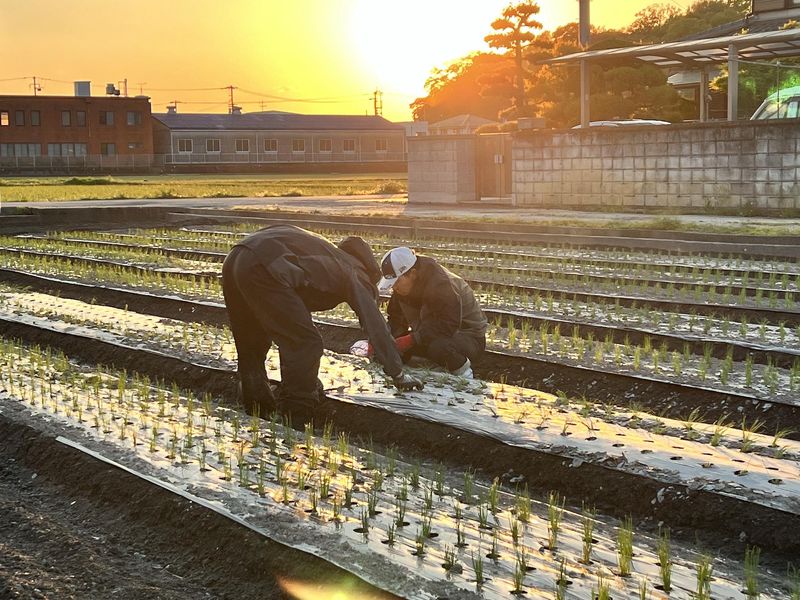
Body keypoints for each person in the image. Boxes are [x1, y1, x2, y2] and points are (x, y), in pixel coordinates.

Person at [221, 225, 424, 417]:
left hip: (237, 256)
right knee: (306, 343)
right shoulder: (353, 271)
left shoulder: (326, 253)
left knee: (251, 340)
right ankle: (297, 414)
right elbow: (375, 324)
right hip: (265, 265)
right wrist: (398, 373)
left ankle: (257, 407)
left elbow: (296, 311)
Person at [378, 246, 487, 378]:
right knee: (393, 346)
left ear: (412, 273)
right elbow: (396, 320)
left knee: (438, 347)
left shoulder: (440, 284)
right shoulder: (402, 288)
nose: (394, 287)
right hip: (431, 332)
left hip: (466, 336)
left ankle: (464, 374)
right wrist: (384, 339)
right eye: (392, 283)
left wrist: (411, 339)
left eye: (397, 281)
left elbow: (446, 325)